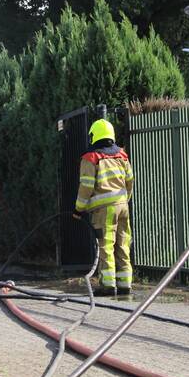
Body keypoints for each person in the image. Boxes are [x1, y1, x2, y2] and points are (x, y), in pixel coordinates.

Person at [74, 118, 135, 295]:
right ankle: (125, 284)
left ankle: (108, 285)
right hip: (123, 207)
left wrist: (78, 209)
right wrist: (124, 199)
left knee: (106, 244)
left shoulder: (91, 158)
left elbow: (86, 186)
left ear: (94, 136)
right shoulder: (121, 156)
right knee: (123, 244)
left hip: (104, 210)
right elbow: (130, 180)